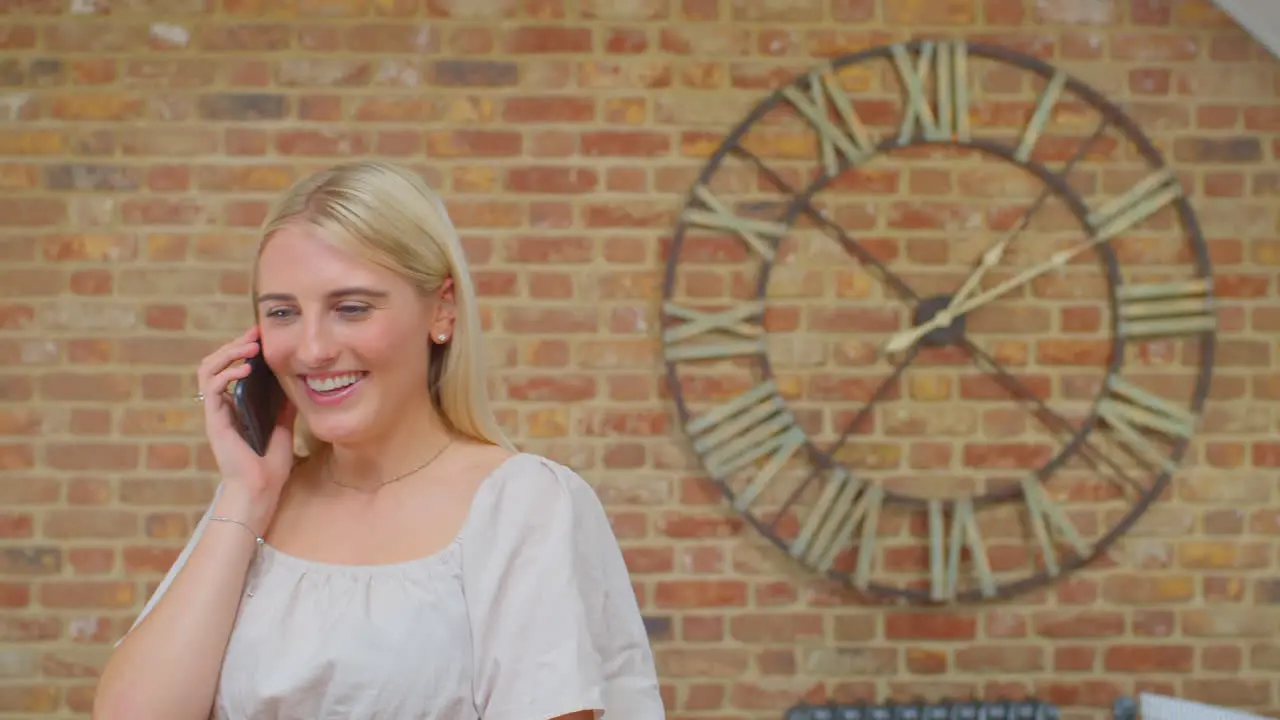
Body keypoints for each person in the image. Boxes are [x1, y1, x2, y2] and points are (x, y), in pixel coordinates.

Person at [93, 160, 665, 720]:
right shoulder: (254, 508)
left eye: (351, 308)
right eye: (283, 312)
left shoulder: (523, 504)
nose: (312, 349)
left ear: (441, 309)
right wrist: (245, 495)